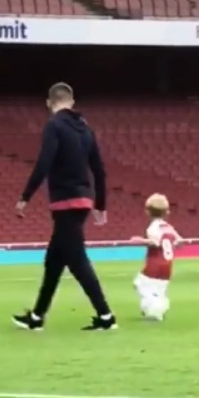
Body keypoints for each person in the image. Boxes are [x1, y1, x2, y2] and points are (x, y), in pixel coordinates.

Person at [12, 82, 117, 331]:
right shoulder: (85, 129)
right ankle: (37, 317)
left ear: (50, 103)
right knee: (54, 260)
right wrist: (100, 204)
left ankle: (106, 316)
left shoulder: (54, 125)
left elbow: (44, 162)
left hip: (64, 201)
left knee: (77, 260)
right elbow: (99, 170)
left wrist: (25, 196)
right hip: (83, 199)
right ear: (72, 101)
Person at [131, 193, 182, 321]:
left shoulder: (153, 228)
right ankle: (155, 307)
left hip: (155, 262)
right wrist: (171, 245)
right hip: (168, 263)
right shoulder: (168, 227)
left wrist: (140, 240)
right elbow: (180, 240)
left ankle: (157, 308)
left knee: (139, 284)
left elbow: (155, 242)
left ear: (147, 212)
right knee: (159, 289)